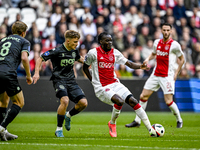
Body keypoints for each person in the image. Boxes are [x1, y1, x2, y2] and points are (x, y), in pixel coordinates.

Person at [83, 32, 156, 137]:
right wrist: (93, 82)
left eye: (111, 40)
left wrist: (141, 66)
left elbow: (129, 64)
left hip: (115, 83)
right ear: (101, 41)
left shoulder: (115, 53)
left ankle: (151, 130)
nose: (110, 42)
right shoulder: (93, 53)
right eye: (107, 40)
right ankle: (112, 123)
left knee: (133, 101)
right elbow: (85, 67)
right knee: (120, 101)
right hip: (102, 87)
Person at [125, 23, 185, 128]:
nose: (166, 32)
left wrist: (176, 73)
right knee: (143, 96)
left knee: (168, 101)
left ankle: (179, 120)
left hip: (167, 76)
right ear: (161, 31)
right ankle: (137, 121)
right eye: (164, 30)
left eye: (168, 30)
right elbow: (153, 53)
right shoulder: (157, 42)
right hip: (155, 74)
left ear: (171, 31)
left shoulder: (175, 45)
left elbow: (182, 59)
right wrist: (147, 59)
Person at [33, 30, 88, 137]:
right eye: (75, 42)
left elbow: (79, 59)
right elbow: (40, 58)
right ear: (68, 41)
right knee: (65, 100)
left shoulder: (74, 51)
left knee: (83, 103)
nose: (77, 44)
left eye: (77, 42)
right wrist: (36, 73)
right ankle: (59, 129)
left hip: (71, 81)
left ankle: (68, 116)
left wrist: (91, 62)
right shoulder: (57, 51)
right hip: (59, 80)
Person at [0, 21, 33, 141]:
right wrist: (29, 75)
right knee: (19, 102)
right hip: (8, 73)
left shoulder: (3, 40)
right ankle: (1, 127)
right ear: (23, 33)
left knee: (3, 102)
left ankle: (3, 131)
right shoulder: (24, 41)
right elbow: (24, 57)